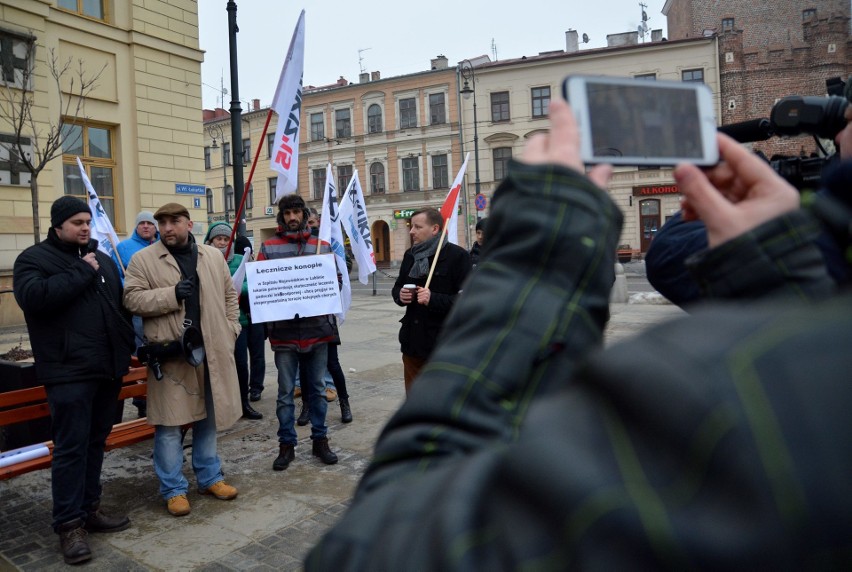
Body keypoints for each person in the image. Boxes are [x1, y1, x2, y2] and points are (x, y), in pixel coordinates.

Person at [305, 97, 852, 569]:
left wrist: (535, 268)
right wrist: (780, 275)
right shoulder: (804, 345)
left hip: (449, 351)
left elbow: (379, 547)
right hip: (415, 342)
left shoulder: (718, 384)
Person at [13, 196, 135, 565]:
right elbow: (33, 298)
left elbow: (119, 307)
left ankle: (89, 509)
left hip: (106, 369)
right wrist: (82, 270)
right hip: (68, 372)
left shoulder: (104, 260)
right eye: (77, 222)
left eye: (87, 221)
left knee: (96, 442)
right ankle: (69, 524)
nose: (85, 227)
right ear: (58, 225)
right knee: (70, 448)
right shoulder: (34, 259)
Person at [123, 203, 242, 517]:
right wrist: (172, 294)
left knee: (208, 420)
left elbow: (231, 295)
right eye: (162, 223)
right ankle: (173, 489)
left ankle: (210, 477)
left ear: (189, 224)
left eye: (174, 222)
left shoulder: (212, 256)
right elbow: (131, 298)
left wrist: (231, 329)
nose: (167, 228)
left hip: (212, 352)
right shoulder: (143, 259)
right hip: (172, 355)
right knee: (170, 426)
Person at [257, 194, 340, 470]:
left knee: (317, 389)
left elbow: (335, 283)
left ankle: (320, 440)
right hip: (284, 334)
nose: (293, 218)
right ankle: (286, 445)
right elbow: (258, 287)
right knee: (284, 393)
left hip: (317, 332)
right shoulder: (268, 248)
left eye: (297, 212)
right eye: (287, 213)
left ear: (305, 214)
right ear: (281, 216)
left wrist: (330, 279)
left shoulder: (321, 246)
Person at [391, 207, 471, 394]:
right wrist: (399, 295)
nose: (412, 231)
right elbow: (398, 286)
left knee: (441, 401)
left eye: (418, 227)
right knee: (414, 400)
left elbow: (468, 301)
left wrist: (433, 298)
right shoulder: (410, 255)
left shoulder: (457, 256)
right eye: (412, 227)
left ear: (435, 229)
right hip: (413, 342)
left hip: (443, 345)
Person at [204, 222, 262, 420]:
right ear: (210, 241)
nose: (222, 242)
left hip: (239, 320)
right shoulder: (203, 259)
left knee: (240, 363)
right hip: (211, 322)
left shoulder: (239, 259)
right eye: (218, 238)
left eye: (226, 239)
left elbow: (251, 283)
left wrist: (232, 288)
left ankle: (243, 402)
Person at [113, 210, 159, 418]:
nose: (146, 227)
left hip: (161, 306)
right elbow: (117, 275)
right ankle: (141, 399)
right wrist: (134, 289)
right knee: (142, 353)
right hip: (139, 309)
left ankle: (158, 394)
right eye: (142, 224)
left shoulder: (162, 246)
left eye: (150, 223)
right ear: (137, 227)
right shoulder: (123, 248)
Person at [233, 234, 268, 404]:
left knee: (257, 355)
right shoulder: (234, 267)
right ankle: (246, 389)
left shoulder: (255, 268)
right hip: (241, 320)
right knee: (242, 359)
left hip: (256, 319)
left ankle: (256, 387)